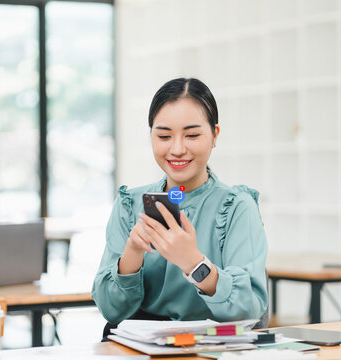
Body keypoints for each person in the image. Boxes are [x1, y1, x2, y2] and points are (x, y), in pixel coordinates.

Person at [92, 78, 268, 338]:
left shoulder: (236, 206)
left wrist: (194, 262)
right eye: (164, 136)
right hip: (138, 349)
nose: (177, 149)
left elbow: (247, 309)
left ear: (214, 136)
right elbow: (111, 310)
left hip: (211, 348)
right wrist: (132, 252)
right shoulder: (130, 204)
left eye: (192, 135)